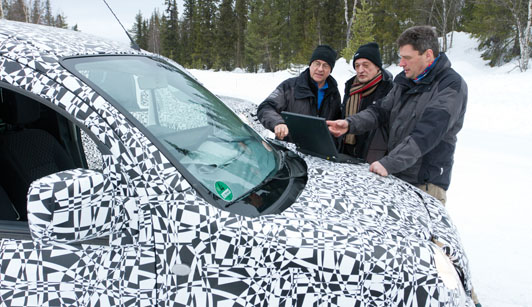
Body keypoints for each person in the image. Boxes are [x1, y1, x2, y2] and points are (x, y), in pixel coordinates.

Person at [327, 26, 468, 206]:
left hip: (424, 184)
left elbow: (427, 134)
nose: (401, 63)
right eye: (401, 57)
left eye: (407, 58)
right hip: (396, 175)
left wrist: (389, 163)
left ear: (428, 55)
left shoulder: (451, 86)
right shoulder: (405, 80)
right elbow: (380, 111)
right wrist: (349, 124)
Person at [257, 45, 342, 141]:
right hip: (288, 149)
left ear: (330, 70)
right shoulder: (290, 86)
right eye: (317, 63)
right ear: (310, 65)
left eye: (325, 65)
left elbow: (336, 124)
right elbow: (266, 107)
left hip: (318, 152)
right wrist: (278, 123)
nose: (320, 69)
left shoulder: (333, 93)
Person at [341, 42, 394, 163]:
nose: (360, 70)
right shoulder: (351, 86)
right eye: (357, 65)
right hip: (347, 152)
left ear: (377, 66)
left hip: (374, 156)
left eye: (366, 65)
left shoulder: (389, 89)